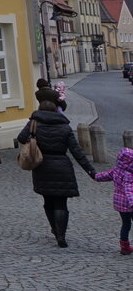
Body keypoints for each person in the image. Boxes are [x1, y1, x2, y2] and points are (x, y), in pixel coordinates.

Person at [16, 99, 96, 248]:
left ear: (40, 110)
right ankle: (61, 235)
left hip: (42, 166)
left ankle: (54, 228)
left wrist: (32, 132)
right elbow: (76, 151)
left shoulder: (35, 123)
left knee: (48, 200)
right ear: (55, 111)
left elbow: (21, 138)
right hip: (62, 166)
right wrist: (90, 171)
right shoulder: (64, 127)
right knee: (61, 203)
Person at [94, 147, 133, 255]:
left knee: (126, 224)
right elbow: (128, 190)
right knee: (128, 224)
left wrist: (96, 176)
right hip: (129, 204)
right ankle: (125, 247)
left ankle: (124, 246)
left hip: (120, 204)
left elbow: (105, 175)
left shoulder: (117, 170)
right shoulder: (129, 174)